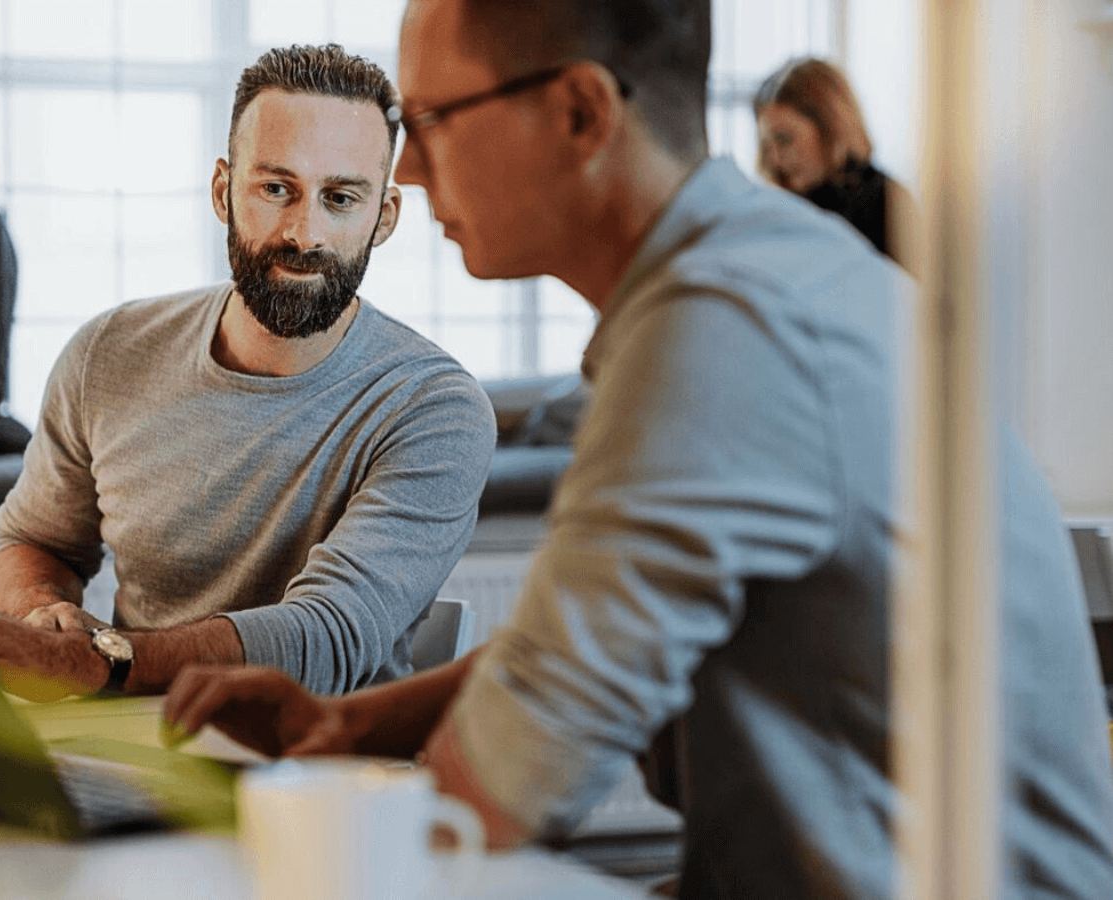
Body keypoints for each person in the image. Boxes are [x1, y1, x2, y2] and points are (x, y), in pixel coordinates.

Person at [162, 2, 1113, 897]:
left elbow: (491, 794)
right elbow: (558, 654)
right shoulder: (754, 271)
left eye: (435, 118)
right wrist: (345, 722)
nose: (406, 174)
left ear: (581, 112)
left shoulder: (722, 332)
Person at [0, 44, 496, 703]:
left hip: (322, 772)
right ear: (223, 191)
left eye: (340, 198)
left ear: (383, 217)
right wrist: (41, 615)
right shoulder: (108, 353)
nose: (305, 233)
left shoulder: (435, 409)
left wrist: (99, 661)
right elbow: (33, 540)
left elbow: (328, 637)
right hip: (127, 743)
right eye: (277, 189)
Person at [753, 56, 919, 272]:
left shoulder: (889, 204)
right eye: (766, 145)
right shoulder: (776, 209)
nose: (774, 158)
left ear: (830, 130)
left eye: (784, 139)